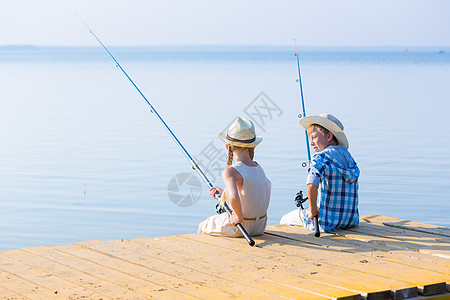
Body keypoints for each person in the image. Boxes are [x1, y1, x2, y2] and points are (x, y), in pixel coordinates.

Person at [280, 113, 360, 232]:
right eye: (310, 139)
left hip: (326, 222)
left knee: (285, 220)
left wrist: (312, 211)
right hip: (350, 221)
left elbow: (312, 185)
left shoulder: (320, 158)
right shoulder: (349, 157)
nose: (311, 143)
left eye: (314, 137)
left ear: (329, 136)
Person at [198, 117, 271, 237]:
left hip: (241, 226)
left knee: (202, 226)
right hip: (259, 226)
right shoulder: (259, 168)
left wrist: (238, 215)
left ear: (228, 147)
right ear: (252, 147)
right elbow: (248, 194)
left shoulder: (230, 171)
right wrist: (222, 193)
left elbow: (233, 196)